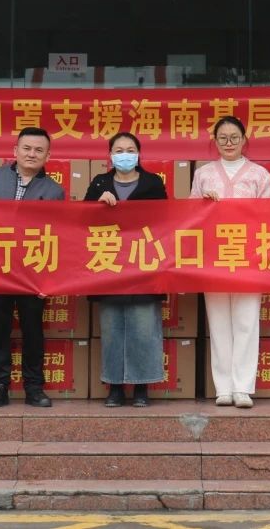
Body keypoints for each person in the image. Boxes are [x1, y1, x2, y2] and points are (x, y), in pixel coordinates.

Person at [0, 126, 65, 409]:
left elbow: (59, 237)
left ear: (47, 156)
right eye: (26, 148)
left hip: (33, 272)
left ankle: (34, 388)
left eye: (39, 150)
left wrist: (50, 280)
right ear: (15, 151)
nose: (32, 154)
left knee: (33, 332)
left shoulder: (54, 191)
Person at [191, 116, 270, 409]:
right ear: (214, 141)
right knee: (218, 321)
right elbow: (189, 216)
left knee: (247, 320)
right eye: (223, 138)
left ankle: (243, 387)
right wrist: (203, 203)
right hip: (212, 256)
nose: (229, 143)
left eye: (234, 138)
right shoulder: (203, 174)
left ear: (244, 140)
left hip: (248, 255)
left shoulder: (260, 175)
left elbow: (269, 216)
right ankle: (223, 387)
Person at [84, 132, 168, 408]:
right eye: (119, 150)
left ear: (139, 154)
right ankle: (115, 387)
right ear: (110, 155)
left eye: (130, 150)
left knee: (144, 329)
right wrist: (97, 205)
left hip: (144, 265)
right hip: (109, 265)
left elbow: (167, 221)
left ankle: (142, 387)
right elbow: (80, 221)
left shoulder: (153, 183)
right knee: (112, 330)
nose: (125, 155)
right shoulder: (99, 182)